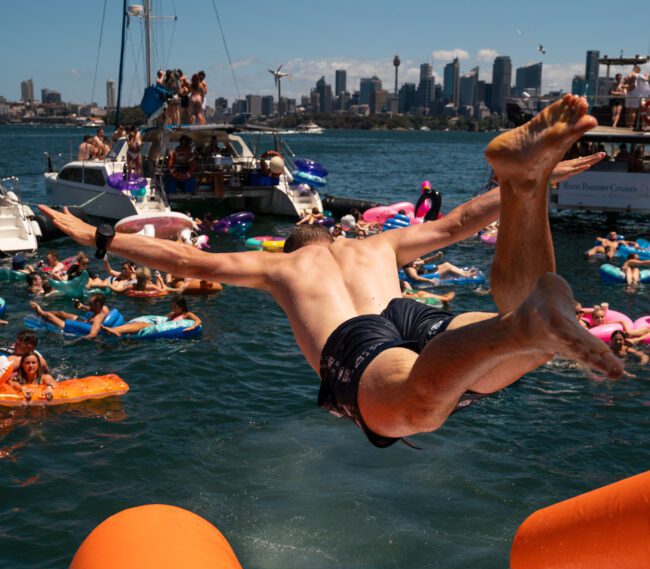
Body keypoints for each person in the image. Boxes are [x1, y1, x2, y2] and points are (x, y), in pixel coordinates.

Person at [40, 94, 622, 447]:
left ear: (294, 243)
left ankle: (525, 324)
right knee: (494, 365)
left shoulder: (283, 266)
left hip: (360, 342)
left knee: (413, 411)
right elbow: (458, 223)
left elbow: (184, 257)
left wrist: (101, 235)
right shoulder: (377, 246)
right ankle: (526, 193)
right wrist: (533, 185)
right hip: (410, 314)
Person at [103, 296, 201, 337]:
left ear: (182, 307)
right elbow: (160, 321)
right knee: (143, 324)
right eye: (172, 306)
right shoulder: (172, 314)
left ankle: (117, 330)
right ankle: (116, 330)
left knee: (144, 325)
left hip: (159, 330)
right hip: (156, 328)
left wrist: (193, 326)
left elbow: (198, 320)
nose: (173, 308)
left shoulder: (187, 315)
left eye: (175, 307)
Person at [29, 293, 110, 339]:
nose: (89, 305)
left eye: (90, 304)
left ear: (97, 304)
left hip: (80, 326)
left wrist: (77, 340)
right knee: (61, 313)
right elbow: (92, 309)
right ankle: (41, 313)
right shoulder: (103, 308)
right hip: (84, 320)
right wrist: (82, 306)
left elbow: (93, 334)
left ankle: (41, 312)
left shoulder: (98, 318)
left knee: (48, 316)